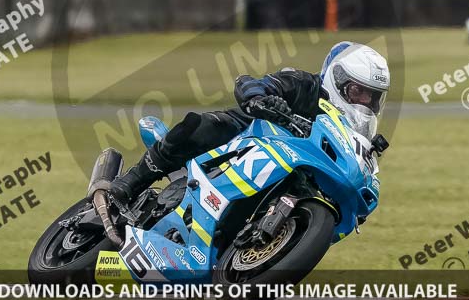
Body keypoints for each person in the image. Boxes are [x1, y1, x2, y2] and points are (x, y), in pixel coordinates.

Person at [95, 42, 390, 205]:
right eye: (358, 91)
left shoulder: (354, 134)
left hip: (294, 172)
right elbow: (255, 83)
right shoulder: (303, 84)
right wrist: (260, 99)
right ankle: (131, 181)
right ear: (337, 79)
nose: (364, 102)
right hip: (250, 135)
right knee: (202, 125)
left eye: (372, 96)